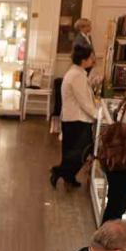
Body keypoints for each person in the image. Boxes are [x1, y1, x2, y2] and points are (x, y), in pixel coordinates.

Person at [50, 46, 97, 189]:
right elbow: (84, 101)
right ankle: (59, 172)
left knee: (71, 151)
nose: (93, 60)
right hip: (78, 119)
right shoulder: (77, 76)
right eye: (91, 57)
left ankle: (68, 177)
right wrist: (97, 116)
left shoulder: (76, 72)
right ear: (84, 60)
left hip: (72, 119)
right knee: (82, 151)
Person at [100, 85, 126, 222]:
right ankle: (106, 240)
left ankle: (106, 238)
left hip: (116, 159)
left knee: (114, 205)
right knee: (116, 208)